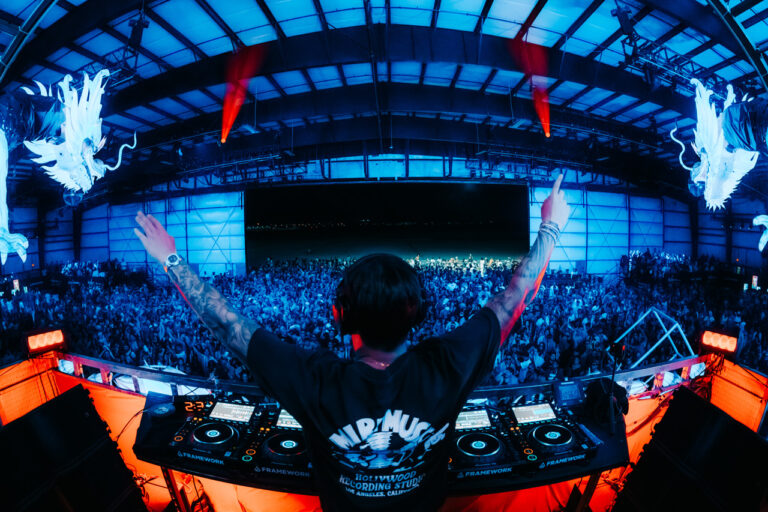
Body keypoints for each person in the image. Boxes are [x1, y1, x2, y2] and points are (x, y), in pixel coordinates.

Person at [132, 175, 570, 512]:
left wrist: (170, 258)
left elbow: (228, 325)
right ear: (420, 314)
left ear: (339, 315)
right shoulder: (447, 365)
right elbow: (514, 297)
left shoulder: (314, 380)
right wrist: (550, 226)